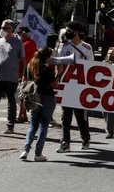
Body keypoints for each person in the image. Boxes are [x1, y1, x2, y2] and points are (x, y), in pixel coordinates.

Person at [57, 21, 94, 152]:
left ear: (76, 32)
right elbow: (59, 64)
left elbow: (91, 67)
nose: (67, 33)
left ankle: (85, 138)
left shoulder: (87, 47)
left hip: (80, 86)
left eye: (69, 31)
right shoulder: (63, 46)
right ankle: (65, 142)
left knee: (80, 116)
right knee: (65, 116)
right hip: (67, 86)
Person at [20, 47, 59, 162]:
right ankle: (38, 154)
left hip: (33, 98)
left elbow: (24, 82)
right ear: (47, 57)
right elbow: (53, 85)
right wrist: (58, 73)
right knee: (44, 125)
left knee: (33, 125)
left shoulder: (29, 67)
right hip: (47, 98)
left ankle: (25, 150)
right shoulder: (48, 70)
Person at [16, 27, 37, 123]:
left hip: (25, 73)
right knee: (24, 94)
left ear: (23, 34)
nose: (18, 35)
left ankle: (21, 115)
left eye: (19, 33)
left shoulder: (25, 44)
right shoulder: (31, 43)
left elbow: (18, 57)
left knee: (22, 94)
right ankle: (23, 114)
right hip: (27, 72)